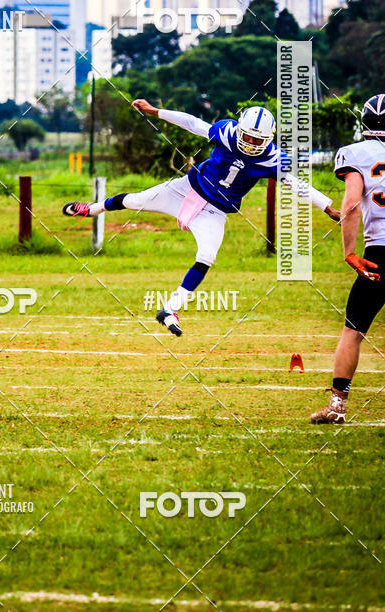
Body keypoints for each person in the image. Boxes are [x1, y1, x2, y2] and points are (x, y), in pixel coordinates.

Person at [63, 99, 340, 336]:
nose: (252, 143)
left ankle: (169, 310)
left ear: (269, 139)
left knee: (207, 255)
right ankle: (93, 208)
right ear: (240, 130)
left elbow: (295, 184)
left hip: (215, 210)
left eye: (258, 140)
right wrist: (155, 111)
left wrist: (327, 207)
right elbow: (192, 123)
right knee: (137, 200)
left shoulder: (272, 160)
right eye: (248, 137)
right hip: (188, 189)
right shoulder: (227, 132)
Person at [311, 94, 385, 424]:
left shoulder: (355, 153)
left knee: (353, 330)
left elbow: (352, 205)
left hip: (378, 255)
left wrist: (349, 253)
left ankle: (337, 406)